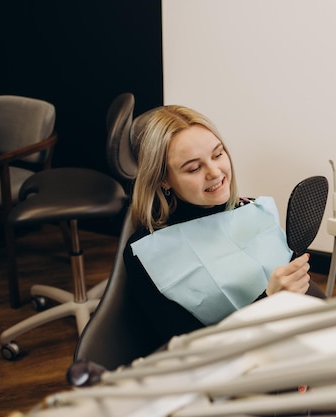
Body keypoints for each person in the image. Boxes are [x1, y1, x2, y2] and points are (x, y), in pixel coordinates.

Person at [123, 105, 324, 347]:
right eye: (194, 168)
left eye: (218, 155)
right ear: (164, 178)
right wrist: (268, 302)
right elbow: (187, 349)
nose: (215, 172)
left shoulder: (251, 210)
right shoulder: (148, 253)